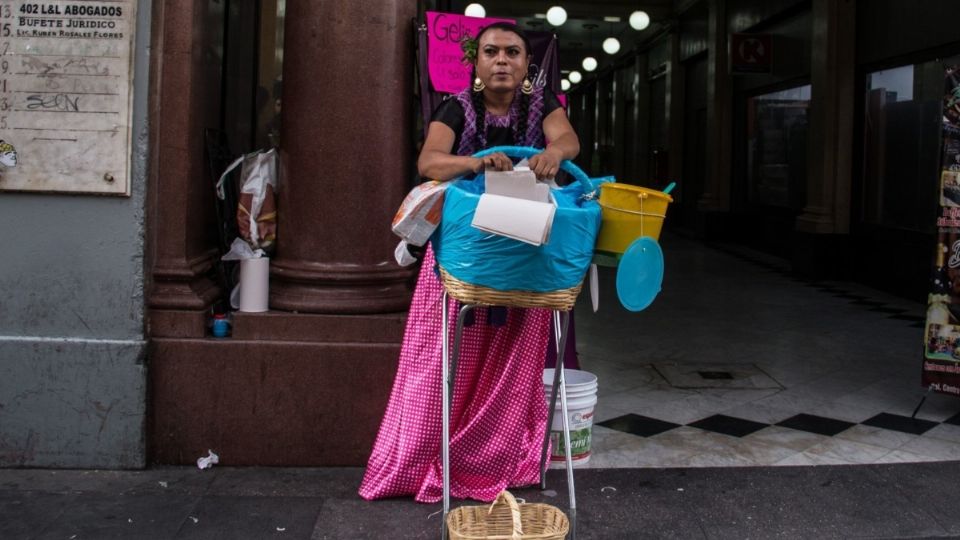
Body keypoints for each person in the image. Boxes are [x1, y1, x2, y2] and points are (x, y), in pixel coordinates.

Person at [359, 22, 580, 503]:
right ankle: (421, 457)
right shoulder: (455, 108)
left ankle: (494, 457)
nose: (502, 60)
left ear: (527, 65)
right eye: (492, 52)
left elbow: (568, 144)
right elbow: (429, 162)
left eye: (513, 53)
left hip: (523, 256)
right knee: (440, 363)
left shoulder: (544, 106)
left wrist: (552, 153)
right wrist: (478, 161)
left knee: (514, 358)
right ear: (476, 63)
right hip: (461, 259)